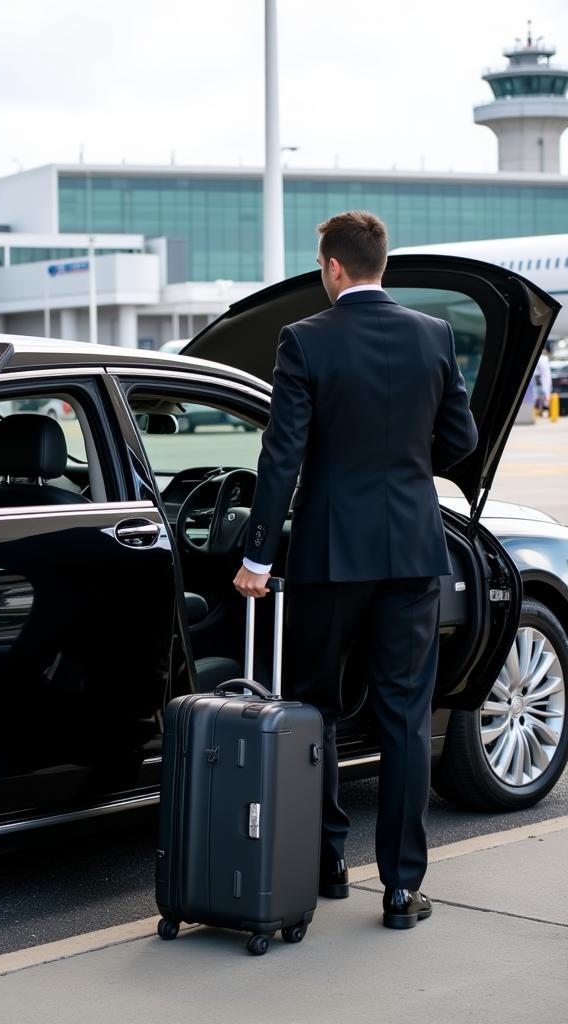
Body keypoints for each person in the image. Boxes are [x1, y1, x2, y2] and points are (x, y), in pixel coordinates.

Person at [233, 211, 477, 930]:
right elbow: (460, 438)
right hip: (411, 549)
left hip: (329, 553)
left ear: (332, 267)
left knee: (315, 710)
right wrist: (401, 468)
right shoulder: (432, 336)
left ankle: (323, 863)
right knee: (404, 717)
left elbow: (282, 455)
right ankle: (402, 890)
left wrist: (255, 557)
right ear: (381, 264)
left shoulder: (305, 339)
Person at [534, 342, 552, 416]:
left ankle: (542, 411)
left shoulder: (544, 358)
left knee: (544, 397)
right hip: (542, 382)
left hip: (544, 382)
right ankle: (541, 411)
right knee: (542, 397)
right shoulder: (543, 358)